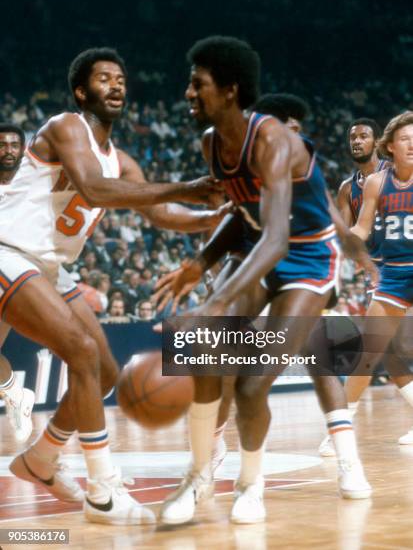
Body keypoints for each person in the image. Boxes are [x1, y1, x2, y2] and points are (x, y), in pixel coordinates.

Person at [0, 46, 226, 526]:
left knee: (102, 371)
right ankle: (102, 492)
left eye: (120, 78)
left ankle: (40, 460)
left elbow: (160, 212)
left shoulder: (121, 161)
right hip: (7, 250)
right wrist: (185, 185)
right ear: (82, 91)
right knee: (81, 350)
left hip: (49, 266)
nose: (116, 85)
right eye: (103, 79)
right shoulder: (65, 127)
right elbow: (93, 190)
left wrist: (217, 217)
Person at [158, 37, 374, 527]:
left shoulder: (274, 139)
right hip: (261, 251)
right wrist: (200, 264)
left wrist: (214, 297)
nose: (188, 93)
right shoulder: (211, 142)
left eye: (199, 84)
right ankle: (198, 474)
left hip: (308, 261)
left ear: (230, 90)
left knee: (255, 387)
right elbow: (242, 214)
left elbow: (277, 238)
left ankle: (250, 484)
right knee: (203, 347)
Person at [319, 118, 413, 457]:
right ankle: (341, 427)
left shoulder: (392, 170)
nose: (358, 141)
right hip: (387, 271)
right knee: (373, 351)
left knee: (397, 346)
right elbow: (354, 231)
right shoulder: (365, 184)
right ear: (391, 144)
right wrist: (335, 242)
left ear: (378, 143)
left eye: (364, 135)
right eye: (353, 136)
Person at [0, 123, 35, 443]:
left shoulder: (32, 186)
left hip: (34, 271)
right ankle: (14, 395)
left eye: (14, 145)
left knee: (84, 348)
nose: (8, 150)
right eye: (3, 145)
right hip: (4, 274)